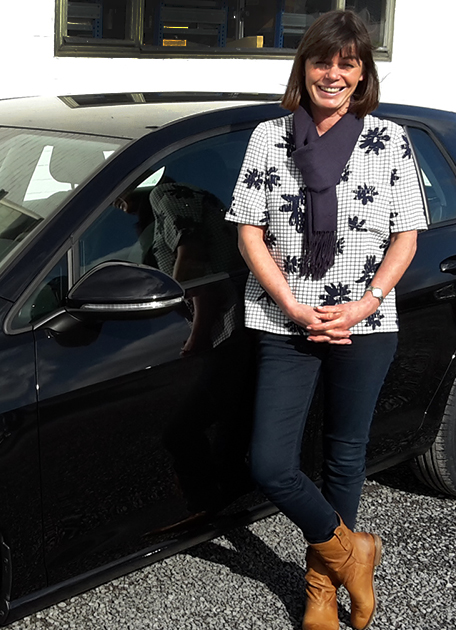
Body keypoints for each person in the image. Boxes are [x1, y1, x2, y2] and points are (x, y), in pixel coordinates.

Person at [225, 10, 426, 630]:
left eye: (347, 63)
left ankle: (321, 589)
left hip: (364, 323)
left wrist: (366, 303)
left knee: (344, 457)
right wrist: (291, 304)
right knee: (270, 464)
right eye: (322, 61)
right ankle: (352, 551)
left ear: (362, 73)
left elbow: (407, 234)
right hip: (285, 320)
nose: (333, 74)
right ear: (304, 67)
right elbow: (249, 232)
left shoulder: (389, 140)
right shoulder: (270, 137)